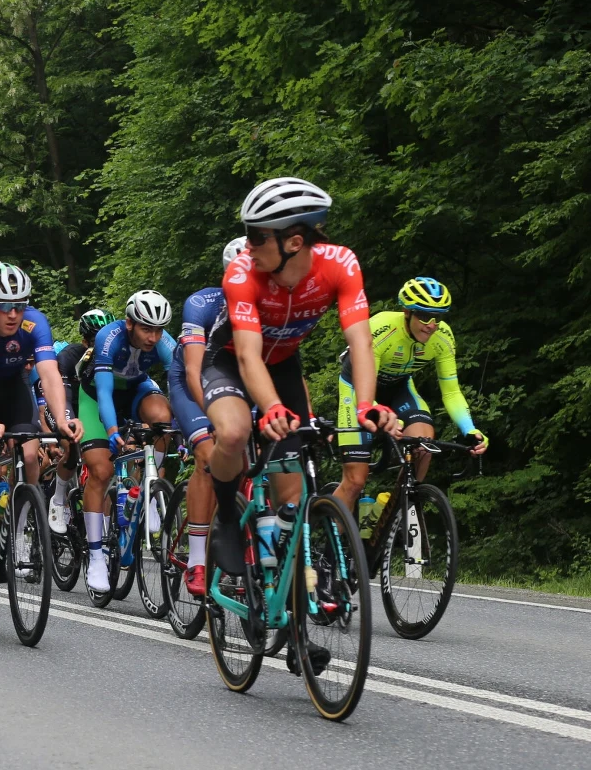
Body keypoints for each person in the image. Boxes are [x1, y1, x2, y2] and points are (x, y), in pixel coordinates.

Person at [201, 177, 395, 674]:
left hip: (283, 365)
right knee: (235, 433)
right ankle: (226, 513)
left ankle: (294, 627)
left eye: (257, 235)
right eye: (247, 234)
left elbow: (361, 342)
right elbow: (246, 353)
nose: (247, 245)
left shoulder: (340, 266)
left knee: (293, 502)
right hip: (227, 362)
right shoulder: (243, 272)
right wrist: (269, 409)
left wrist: (369, 404)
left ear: (294, 241)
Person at [0, 262, 83, 590]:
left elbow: (51, 375)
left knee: (29, 453)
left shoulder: (35, 322)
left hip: (13, 384)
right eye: (5, 306)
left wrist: (64, 420)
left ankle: (23, 534)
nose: (13, 313)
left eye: (20, 305)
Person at [333, 277, 488, 518]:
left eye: (438, 317)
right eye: (425, 316)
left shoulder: (443, 338)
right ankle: (331, 553)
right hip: (358, 389)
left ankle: (390, 517)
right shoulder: (382, 329)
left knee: (423, 445)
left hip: (399, 387)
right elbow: (365, 389)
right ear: (407, 312)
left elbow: (451, 390)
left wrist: (470, 429)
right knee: (355, 481)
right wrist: (382, 416)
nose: (432, 325)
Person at [77, 291, 177, 593]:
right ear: (130, 323)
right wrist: (111, 431)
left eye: (159, 329)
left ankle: (147, 489)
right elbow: (106, 393)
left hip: (135, 389)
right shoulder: (109, 337)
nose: (153, 336)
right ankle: (96, 554)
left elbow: (181, 383)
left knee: (162, 417)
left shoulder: (164, 343)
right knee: (101, 471)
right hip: (97, 395)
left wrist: (189, 427)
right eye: (147, 329)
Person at [167, 238, 244, 595]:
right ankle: (197, 560)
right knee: (206, 455)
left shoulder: (269, 304)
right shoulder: (202, 304)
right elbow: (196, 370)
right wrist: (213, 417)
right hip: (191, 380)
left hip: (237, 377)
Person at [44, 309, 110, 533]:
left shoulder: (114, 356)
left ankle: (106, 526)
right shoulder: (69, 358)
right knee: (72, 444)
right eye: (94, 340)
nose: (101, 344)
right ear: (84, 341)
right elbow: (62, 399)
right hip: (64, 407)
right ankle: (59, 498)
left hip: (92, 411)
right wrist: (70, 422)